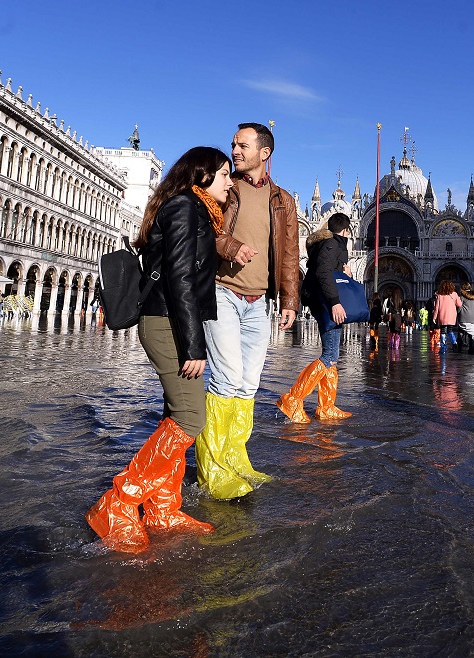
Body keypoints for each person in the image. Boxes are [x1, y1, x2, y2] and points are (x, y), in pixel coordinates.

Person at [86, 147, 232, 553]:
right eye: (223, 173)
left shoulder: (188, 208)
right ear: (201, 175)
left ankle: (163, 508)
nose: (229, 181)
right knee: (190, 418)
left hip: (172, 320)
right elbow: (180, 277)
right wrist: (193, 345)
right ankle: (119, 502)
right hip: (169, 322)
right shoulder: (185, 207)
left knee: (176, 412)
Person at [194, 122, 300, 500]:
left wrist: (289, 300)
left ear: (264, 153)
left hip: (259, 302)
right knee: (226, 378)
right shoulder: (225, 187)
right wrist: (229, 247)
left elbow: (288, 254)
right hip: (222, 291)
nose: (234, 151)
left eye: (242, 145)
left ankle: (236, 458)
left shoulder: (283, 200)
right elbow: (202, 228)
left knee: (248, 383)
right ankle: (213, 469)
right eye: (233, 145)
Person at [276, 213, 354, 424]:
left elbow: (329, 273)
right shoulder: (332, 245)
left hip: (325, 301)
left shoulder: (328, 244)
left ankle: (327, 406)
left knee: (332, 356)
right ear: (347, 230)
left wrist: (344, 272)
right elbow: (322, 273)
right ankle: (292, 399)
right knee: (329, 355)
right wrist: (335, 302)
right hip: (327, 303)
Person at [431, 280, 462, 353]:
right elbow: (459, 304)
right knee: (450, 330)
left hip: (442, 316)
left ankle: (443, 347)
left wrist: (434, 317)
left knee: (443, 331)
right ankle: (454, 342)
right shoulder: (454, 294)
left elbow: (436, 308)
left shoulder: (439, 295)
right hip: (451, 316)